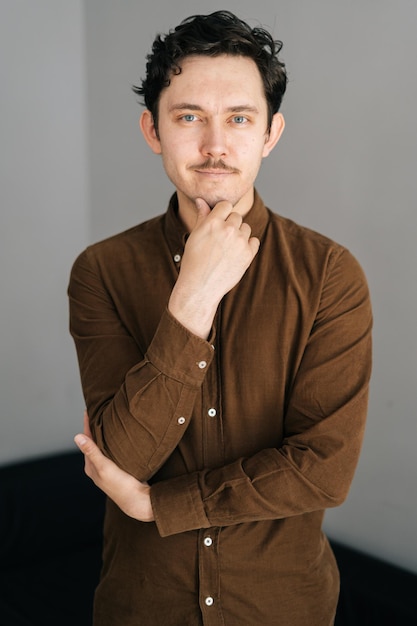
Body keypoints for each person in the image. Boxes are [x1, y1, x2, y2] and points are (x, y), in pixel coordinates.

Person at [69, 10, 372, 626]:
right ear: (153, 130)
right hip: (142, 606)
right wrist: (192, 300)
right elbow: (122, 456)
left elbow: (323, 469)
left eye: (239, 117)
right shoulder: (101, 271)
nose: (214, 145)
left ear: (271, 132)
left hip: (284, 606)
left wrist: (161, 506)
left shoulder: (329, 275)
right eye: (189, 117)